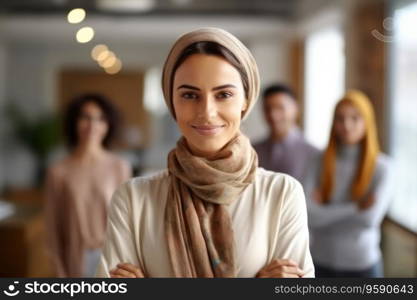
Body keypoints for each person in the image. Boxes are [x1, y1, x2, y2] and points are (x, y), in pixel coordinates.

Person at [96, 28, 314, 278]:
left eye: (224, 95)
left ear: (245, 100)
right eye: (189, 95)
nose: (207, 112)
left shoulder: (282, 194)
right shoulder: (133, 199)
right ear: (172, 102)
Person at [304, 90, 392, 277]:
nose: (347, 125)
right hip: (319, 262)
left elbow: (369, 219)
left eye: (355, 118)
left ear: (367, 122)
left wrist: (326, 211)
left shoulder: (383, 167)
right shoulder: (317, 161)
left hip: (363, 266)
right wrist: (356, 208)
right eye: (340, 118)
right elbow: (310, 216)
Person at [45, 94, 132, 277]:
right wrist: (60, 273)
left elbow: (128, 223)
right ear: (74, 122)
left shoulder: (120, 167)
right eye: (85, 117)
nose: (93, 125)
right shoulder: (58, 171)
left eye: (100, 118)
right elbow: (53, 230)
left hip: (113, 258)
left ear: (108, 125)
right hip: (75, 259)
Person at [253, 84, 318, 182]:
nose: (273, 115)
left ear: (295, 108)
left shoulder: (313, 154)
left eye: (280, 108)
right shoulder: (253, 151)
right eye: (268, 109)